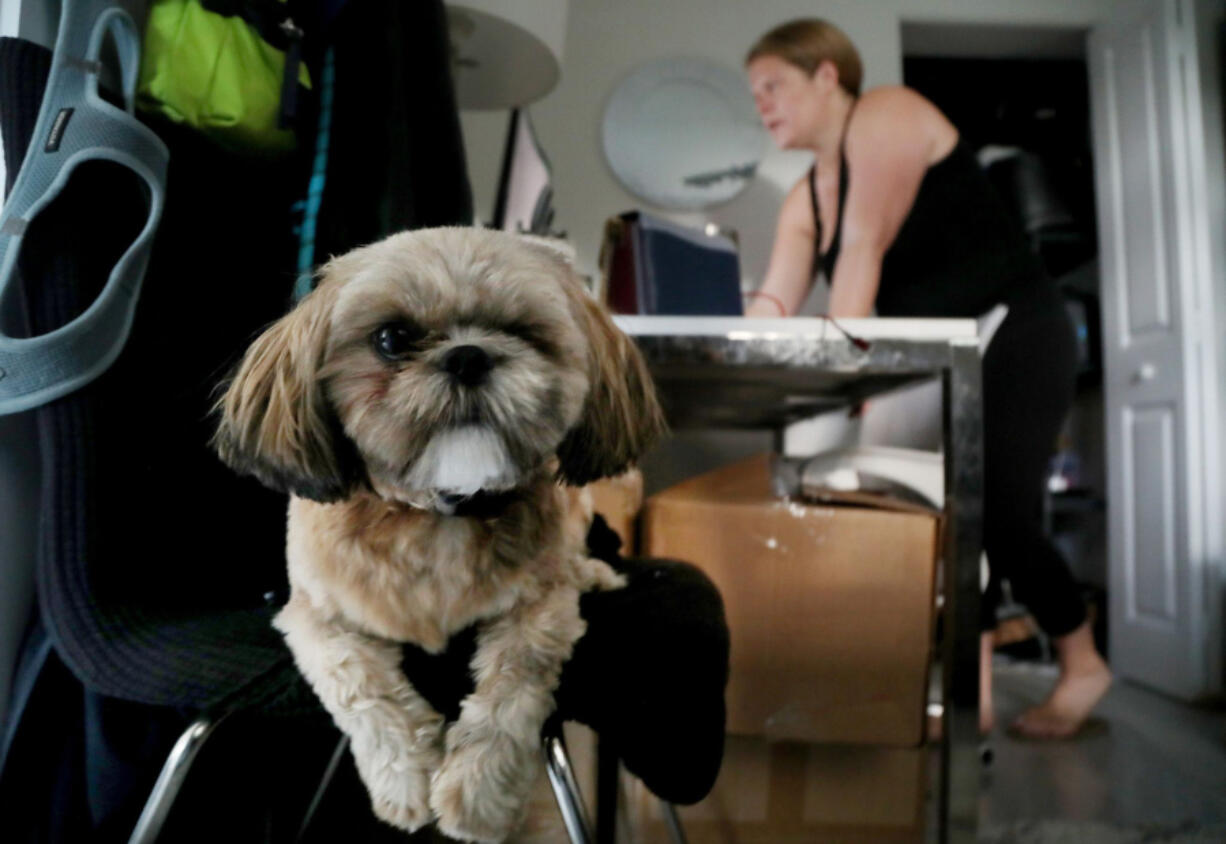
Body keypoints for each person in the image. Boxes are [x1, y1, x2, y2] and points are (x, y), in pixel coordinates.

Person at [743, 18, 1111, 739]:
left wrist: (843, 376)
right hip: (940, 355)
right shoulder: (804, 199)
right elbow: (770, 307)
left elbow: (862, 250)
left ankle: (1082, 660)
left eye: (773, 85)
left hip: (1016, 332)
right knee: (936, 524)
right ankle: (966, 702)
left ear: (827, 76)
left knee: (999, 516)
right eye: (753, 93)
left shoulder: (887, 113)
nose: (762, 103)